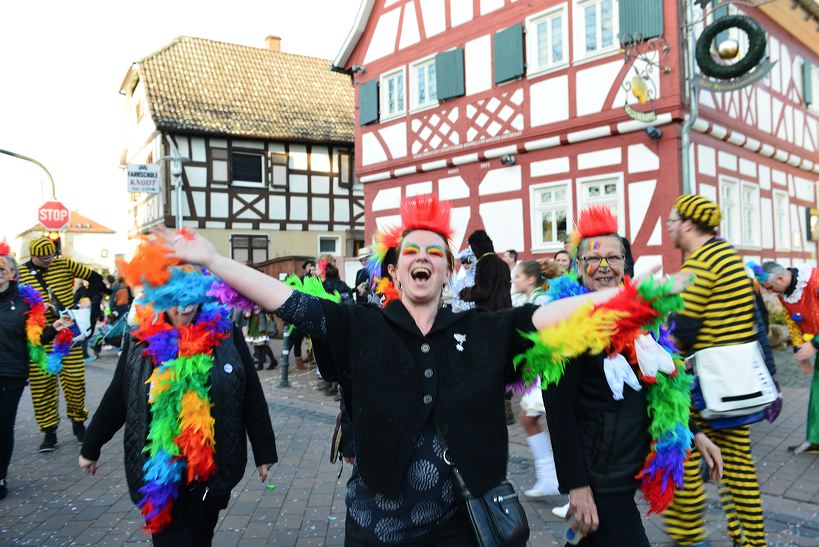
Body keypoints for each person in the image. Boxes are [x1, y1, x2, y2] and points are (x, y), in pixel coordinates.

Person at [157, 195, 690, 546]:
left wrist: (630, 298)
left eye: (435, 252)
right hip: (375, 523)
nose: (423, 258)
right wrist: (212, 260)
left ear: (448, 270)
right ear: (394, 269)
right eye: (411, 251)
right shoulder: (360, 325)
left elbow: (547, 316)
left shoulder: (482, 330)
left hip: (460, 523)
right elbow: (285, 299)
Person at [535, 206, 721, 546]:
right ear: (578, 267)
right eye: (593, 259)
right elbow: (558, 413)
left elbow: (663, 383)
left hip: (631, 461)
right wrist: (577, 486)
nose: (604, 267)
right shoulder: (566, 326)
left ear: (625, 263)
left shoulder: (637, 314)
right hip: (601, 473)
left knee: (587, 539)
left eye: (613, 258)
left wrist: (694, 432)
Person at [78, 237, 277, 546]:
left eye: (191, 301)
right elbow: (119, 395)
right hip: (158, 468)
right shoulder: (139, 339)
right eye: (175, 301)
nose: (184, 311)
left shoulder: (225, 334)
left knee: (200, 537)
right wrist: (91, 445)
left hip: (211, 467)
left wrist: (265, 451)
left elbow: (250, 394)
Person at [663, 195, 766, 546]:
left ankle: (689, 538)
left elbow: (684, 329)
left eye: (673, 221)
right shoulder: (730, 258)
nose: (671, 227)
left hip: (706, 387)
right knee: (737, 467)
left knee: (686, 460)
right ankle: (749, 539)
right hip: (736, 382)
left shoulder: (702, 265)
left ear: (689, 224)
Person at [17, 236, 106, 451]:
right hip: (41, 336)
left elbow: (95, 278)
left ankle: (78, 423)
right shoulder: (20, 273)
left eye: (52, 255)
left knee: (75, 381)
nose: (50, 260)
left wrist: (86, 301)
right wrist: (34, 306)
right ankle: (49, 433)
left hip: (68, 333)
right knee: (42, 387)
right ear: (33, 255)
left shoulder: (64, 264)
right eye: (44, 257)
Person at [0, 243, 74, 500]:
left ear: (11, 274)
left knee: (3, 426)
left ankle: (0, 476)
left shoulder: (25, 304)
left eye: (1, 269)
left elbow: (37, 338)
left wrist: (55, 326)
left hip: (10, 373)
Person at [758, 261, 819, 454]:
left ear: (780, 278)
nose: (770, 293)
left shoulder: (814, 282)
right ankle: (815, 438)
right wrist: (800, 353)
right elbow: (793, 323)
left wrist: (815, 344)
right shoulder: (786, 294)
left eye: (770, 288)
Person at [512, 260, 560, 498]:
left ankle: (570, 487)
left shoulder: (541, 301)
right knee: (529, 418)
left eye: (518, 276)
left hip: (552, 369)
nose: (514, 280)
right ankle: (550, 477)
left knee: (560, 424)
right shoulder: (532, 300)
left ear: (530, 279)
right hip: (542, 370)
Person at [460, 230, 516, 424]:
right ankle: (507, 406)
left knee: (490, 362)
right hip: (506, 316)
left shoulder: (484, 263)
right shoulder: (502, 264)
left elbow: (482, 292)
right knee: (504, 360)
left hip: (489, 319)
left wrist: (465, 293)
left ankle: (495, 407)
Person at [244, 306, 278, 371]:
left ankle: (273, 361)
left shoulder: (262, 300)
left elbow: (270, 310)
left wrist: (262, 309)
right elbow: (245, 315)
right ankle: (260, 363)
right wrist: (246, 314)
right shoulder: (248, 302)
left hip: (262, 324)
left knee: (263, 345)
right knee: (256, 345)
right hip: (252, 325)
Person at [450, 248, 476, 313]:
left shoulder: (482, 280)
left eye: (468, 261)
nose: (465, 265)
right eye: (463, 262)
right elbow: (454, 300)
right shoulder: (461, 282)